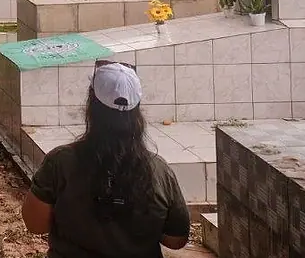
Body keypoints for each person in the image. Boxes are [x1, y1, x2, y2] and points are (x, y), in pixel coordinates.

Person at [22, 62, 190, 256]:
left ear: (91, 107)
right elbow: (176, 239)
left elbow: (35, 224)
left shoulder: (60, 163)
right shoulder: (159, 172)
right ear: (137, 113)